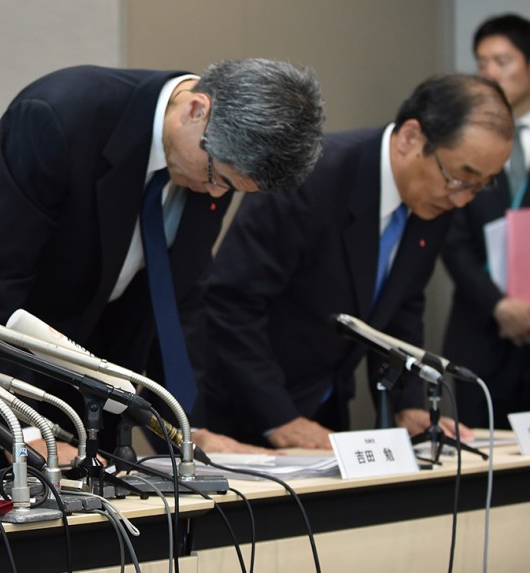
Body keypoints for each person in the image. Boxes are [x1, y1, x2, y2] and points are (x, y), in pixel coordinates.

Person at [0, 60, 325, 461]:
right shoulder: (59, 115)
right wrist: (21, 430)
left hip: (76, 391)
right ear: (197, 110)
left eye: (230, 188)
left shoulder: (210, 162)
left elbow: (179, 304)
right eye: (217, 177)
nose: (214, 193)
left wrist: (186, 432)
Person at [204, 74, 512, 449]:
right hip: (239, 409)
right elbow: (233, 302)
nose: (462, 200)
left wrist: (408, 403)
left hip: (324, 408)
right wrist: (278, 417)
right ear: (410, 137)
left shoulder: (435, 199)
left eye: (480, 186)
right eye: (460, 179)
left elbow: (402, 305)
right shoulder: (313, 176)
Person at [442, 14, 530, 429]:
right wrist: (498, 304)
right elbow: (452, 239)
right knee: (479, 446)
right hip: (479, 325)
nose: (490, 73)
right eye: (482, 63)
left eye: (502, 61)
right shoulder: (464, 139)